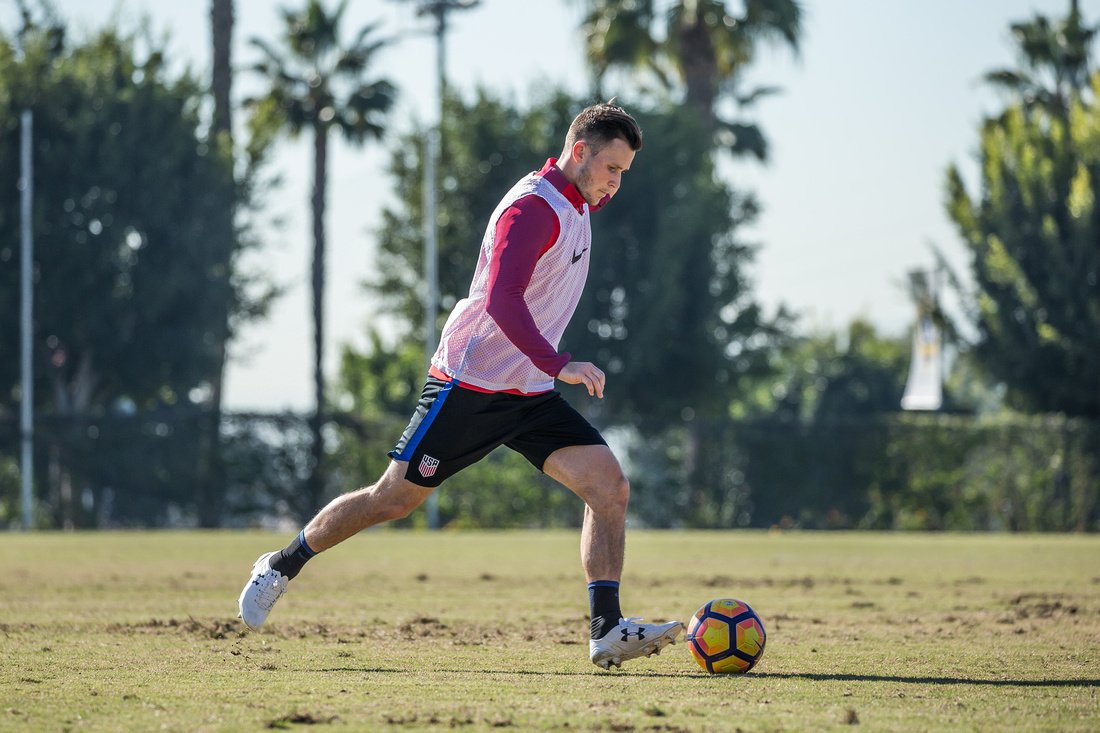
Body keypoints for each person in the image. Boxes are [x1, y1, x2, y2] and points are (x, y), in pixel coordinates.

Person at [237, 101, 682, 670]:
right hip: (470, 385)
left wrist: (543, 370)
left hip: (527, 393)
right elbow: (501, 301)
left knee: (609, 488)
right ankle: (280, 564)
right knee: (392, 499)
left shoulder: (578, 203)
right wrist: (557, 363)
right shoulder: (532, 208)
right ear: (579, 153)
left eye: (624, 173)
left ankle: (607, 629)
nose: (617, 184)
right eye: (612, 169)